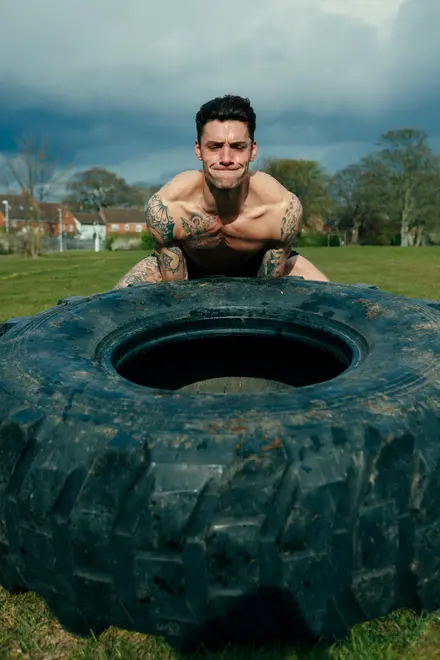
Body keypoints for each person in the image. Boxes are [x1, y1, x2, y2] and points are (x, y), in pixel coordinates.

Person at [114, 95, 328, 288]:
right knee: (114, 303)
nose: (226, 159)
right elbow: (175, 293)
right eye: (215, 146)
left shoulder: (280, 210)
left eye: (237, 147)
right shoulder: (169, 208)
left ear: (252, 150)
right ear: (199, 150)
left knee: (337, 300)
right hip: (189, 268)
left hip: (255, 269)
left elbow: (267, 292)